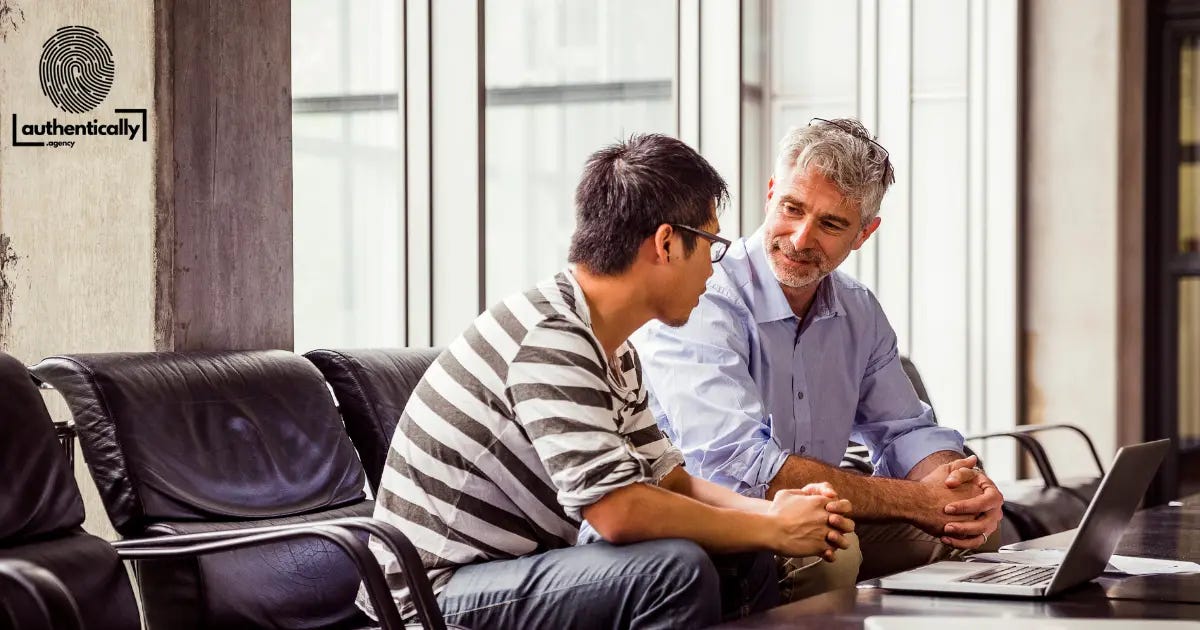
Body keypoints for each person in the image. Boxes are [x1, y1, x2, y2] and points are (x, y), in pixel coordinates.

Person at [359, 134, 856, 628]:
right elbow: (616, 512)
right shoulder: (550, 340)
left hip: (508, 573)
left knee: (739, 552)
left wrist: (770, 515)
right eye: (711, 244)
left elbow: (670, 481)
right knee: (674, 573)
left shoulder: (612, 347)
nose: (713, 265)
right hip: (430, 598)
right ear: (666, 243)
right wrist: (770, 526)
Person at [633, 118, 1004, 601]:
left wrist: (958, 486)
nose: (802, 238)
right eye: (791, 208)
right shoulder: (703, 296)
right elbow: (739, 466)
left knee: (971, 530)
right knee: (832, 548)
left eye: (831, 224)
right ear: (770, 194)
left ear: (864, 233)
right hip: (718, 517)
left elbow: (906, 430)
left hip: (818, 516)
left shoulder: (858, 309)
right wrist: (919, 500)